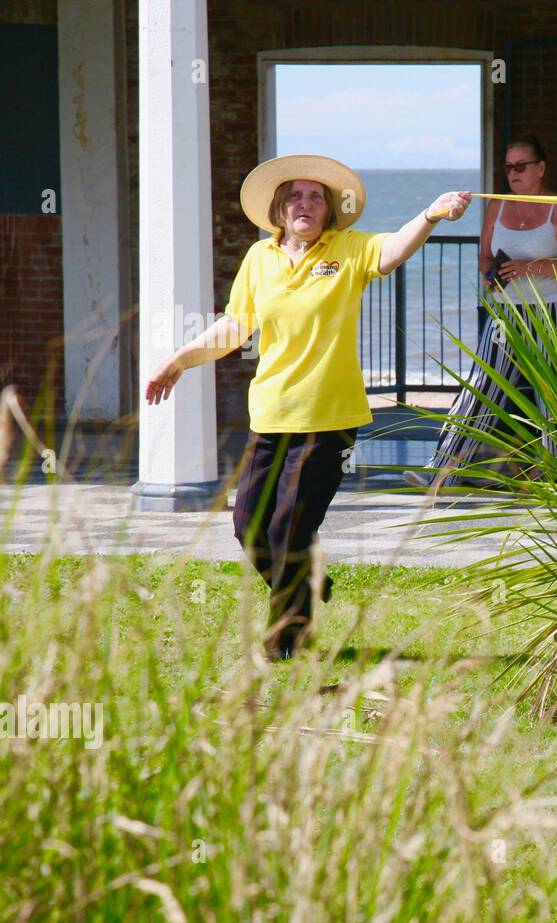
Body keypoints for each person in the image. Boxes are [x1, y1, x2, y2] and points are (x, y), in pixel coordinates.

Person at [145, 154, 470, 658]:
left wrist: (429, 214)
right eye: (295, 195)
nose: (305, 204)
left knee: (289, 527)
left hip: (330, 420)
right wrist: (181, 361)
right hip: (271, 415)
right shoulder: (260, 259)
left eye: (316, 197)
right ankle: (309, 579)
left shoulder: (347, 250)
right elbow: (235, 326)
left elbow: (392, 251)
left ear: (330, 209)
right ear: (278, 208)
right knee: (249, 526)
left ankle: (286, 642)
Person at [405, 134, 557, 490]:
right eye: (508, 167)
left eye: (521, 166)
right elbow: (485, 256)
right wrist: (492, 273)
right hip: (506, 313)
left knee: (556, 394)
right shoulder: (497, 207)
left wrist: (528, 267)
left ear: (540, 168)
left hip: (552, 310)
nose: (513, 173)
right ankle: (441, 470)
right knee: (481, 388)